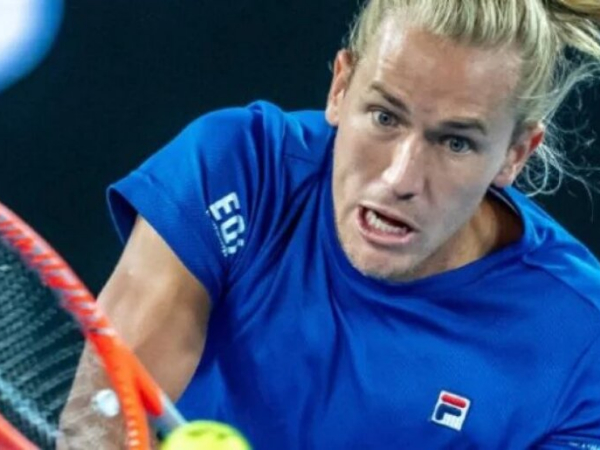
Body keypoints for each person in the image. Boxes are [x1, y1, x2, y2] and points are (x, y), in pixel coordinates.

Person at [80, 0, 600, 448]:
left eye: (455, 142)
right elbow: (101, 420)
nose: (400, 178)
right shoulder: (239, 171)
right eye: (385, 117)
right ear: (340, 87)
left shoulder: (581, 340)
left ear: (515, 154)